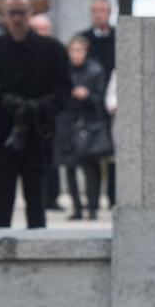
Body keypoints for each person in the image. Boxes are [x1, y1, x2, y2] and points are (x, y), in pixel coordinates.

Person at [0, 0, 71, 228]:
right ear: (4, 16)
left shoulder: (52, 49)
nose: (17, 18)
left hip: (38, 134)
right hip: (0, 135)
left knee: (37, 208)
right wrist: (3, 100)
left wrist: (39, 106)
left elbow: (63, 91)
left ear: (30, 14)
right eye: (12, 13)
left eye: (22, 12)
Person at [58, 36, 110, 220]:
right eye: (73, 50)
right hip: (68, 122)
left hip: (90, 122)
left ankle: (93, 207)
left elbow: (101, 97)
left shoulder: (95, 70)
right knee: (70, 166)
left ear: (86, 52)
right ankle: (77, 207)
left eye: (79, 50)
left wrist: (87, 96)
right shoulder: (63, 71)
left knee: (91, 167)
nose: (76, 54)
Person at [78, 0, 117, 209]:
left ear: (109, 12)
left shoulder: (118, 37)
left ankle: (113, 198)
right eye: (96, 10)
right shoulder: (84, 39)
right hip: (91, 104)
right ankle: (91, 201)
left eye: (103, 10)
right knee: (91, 154)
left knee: (113, 154)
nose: (99, 14)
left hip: (113, 102)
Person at [28, 12, 64, 212]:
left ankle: (52, 196)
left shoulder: (56, 52)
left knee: (52, 158)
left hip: (51, 113)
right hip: (29, 113)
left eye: (44, 29)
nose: (41, 33)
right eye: (37, 29)